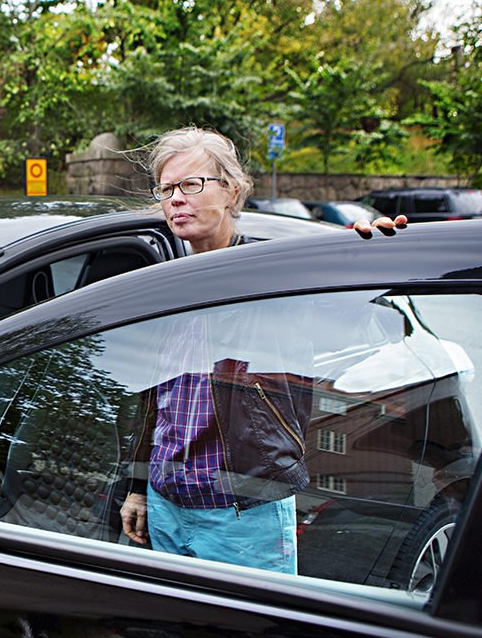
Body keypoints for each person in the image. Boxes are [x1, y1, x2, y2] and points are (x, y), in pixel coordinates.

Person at [119, 126, 405, 574]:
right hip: (165, 505)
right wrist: (136, 488)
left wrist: (370, 264)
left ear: (232, 190)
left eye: (191, 184)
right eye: (167, 188)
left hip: (241, 515)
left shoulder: (273, 278)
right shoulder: (167, 285)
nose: (176, 198)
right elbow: (156, 401)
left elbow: (359, 326)